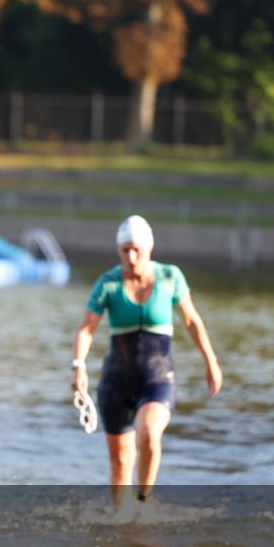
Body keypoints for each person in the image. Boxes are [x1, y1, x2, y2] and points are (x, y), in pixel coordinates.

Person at [70, 215, 222, 514]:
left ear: (149, 248)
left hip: (157, 378)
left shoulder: (170, 277)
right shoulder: (109, 283)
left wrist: (211, 362)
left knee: (149, 432)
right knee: (121, 461)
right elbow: (86, 328)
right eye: (124, 250)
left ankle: (143, 502)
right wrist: (78, 366)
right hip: (115, 382)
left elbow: (191, 319)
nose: (131, 257)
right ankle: (121, 520)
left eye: (136, 249)